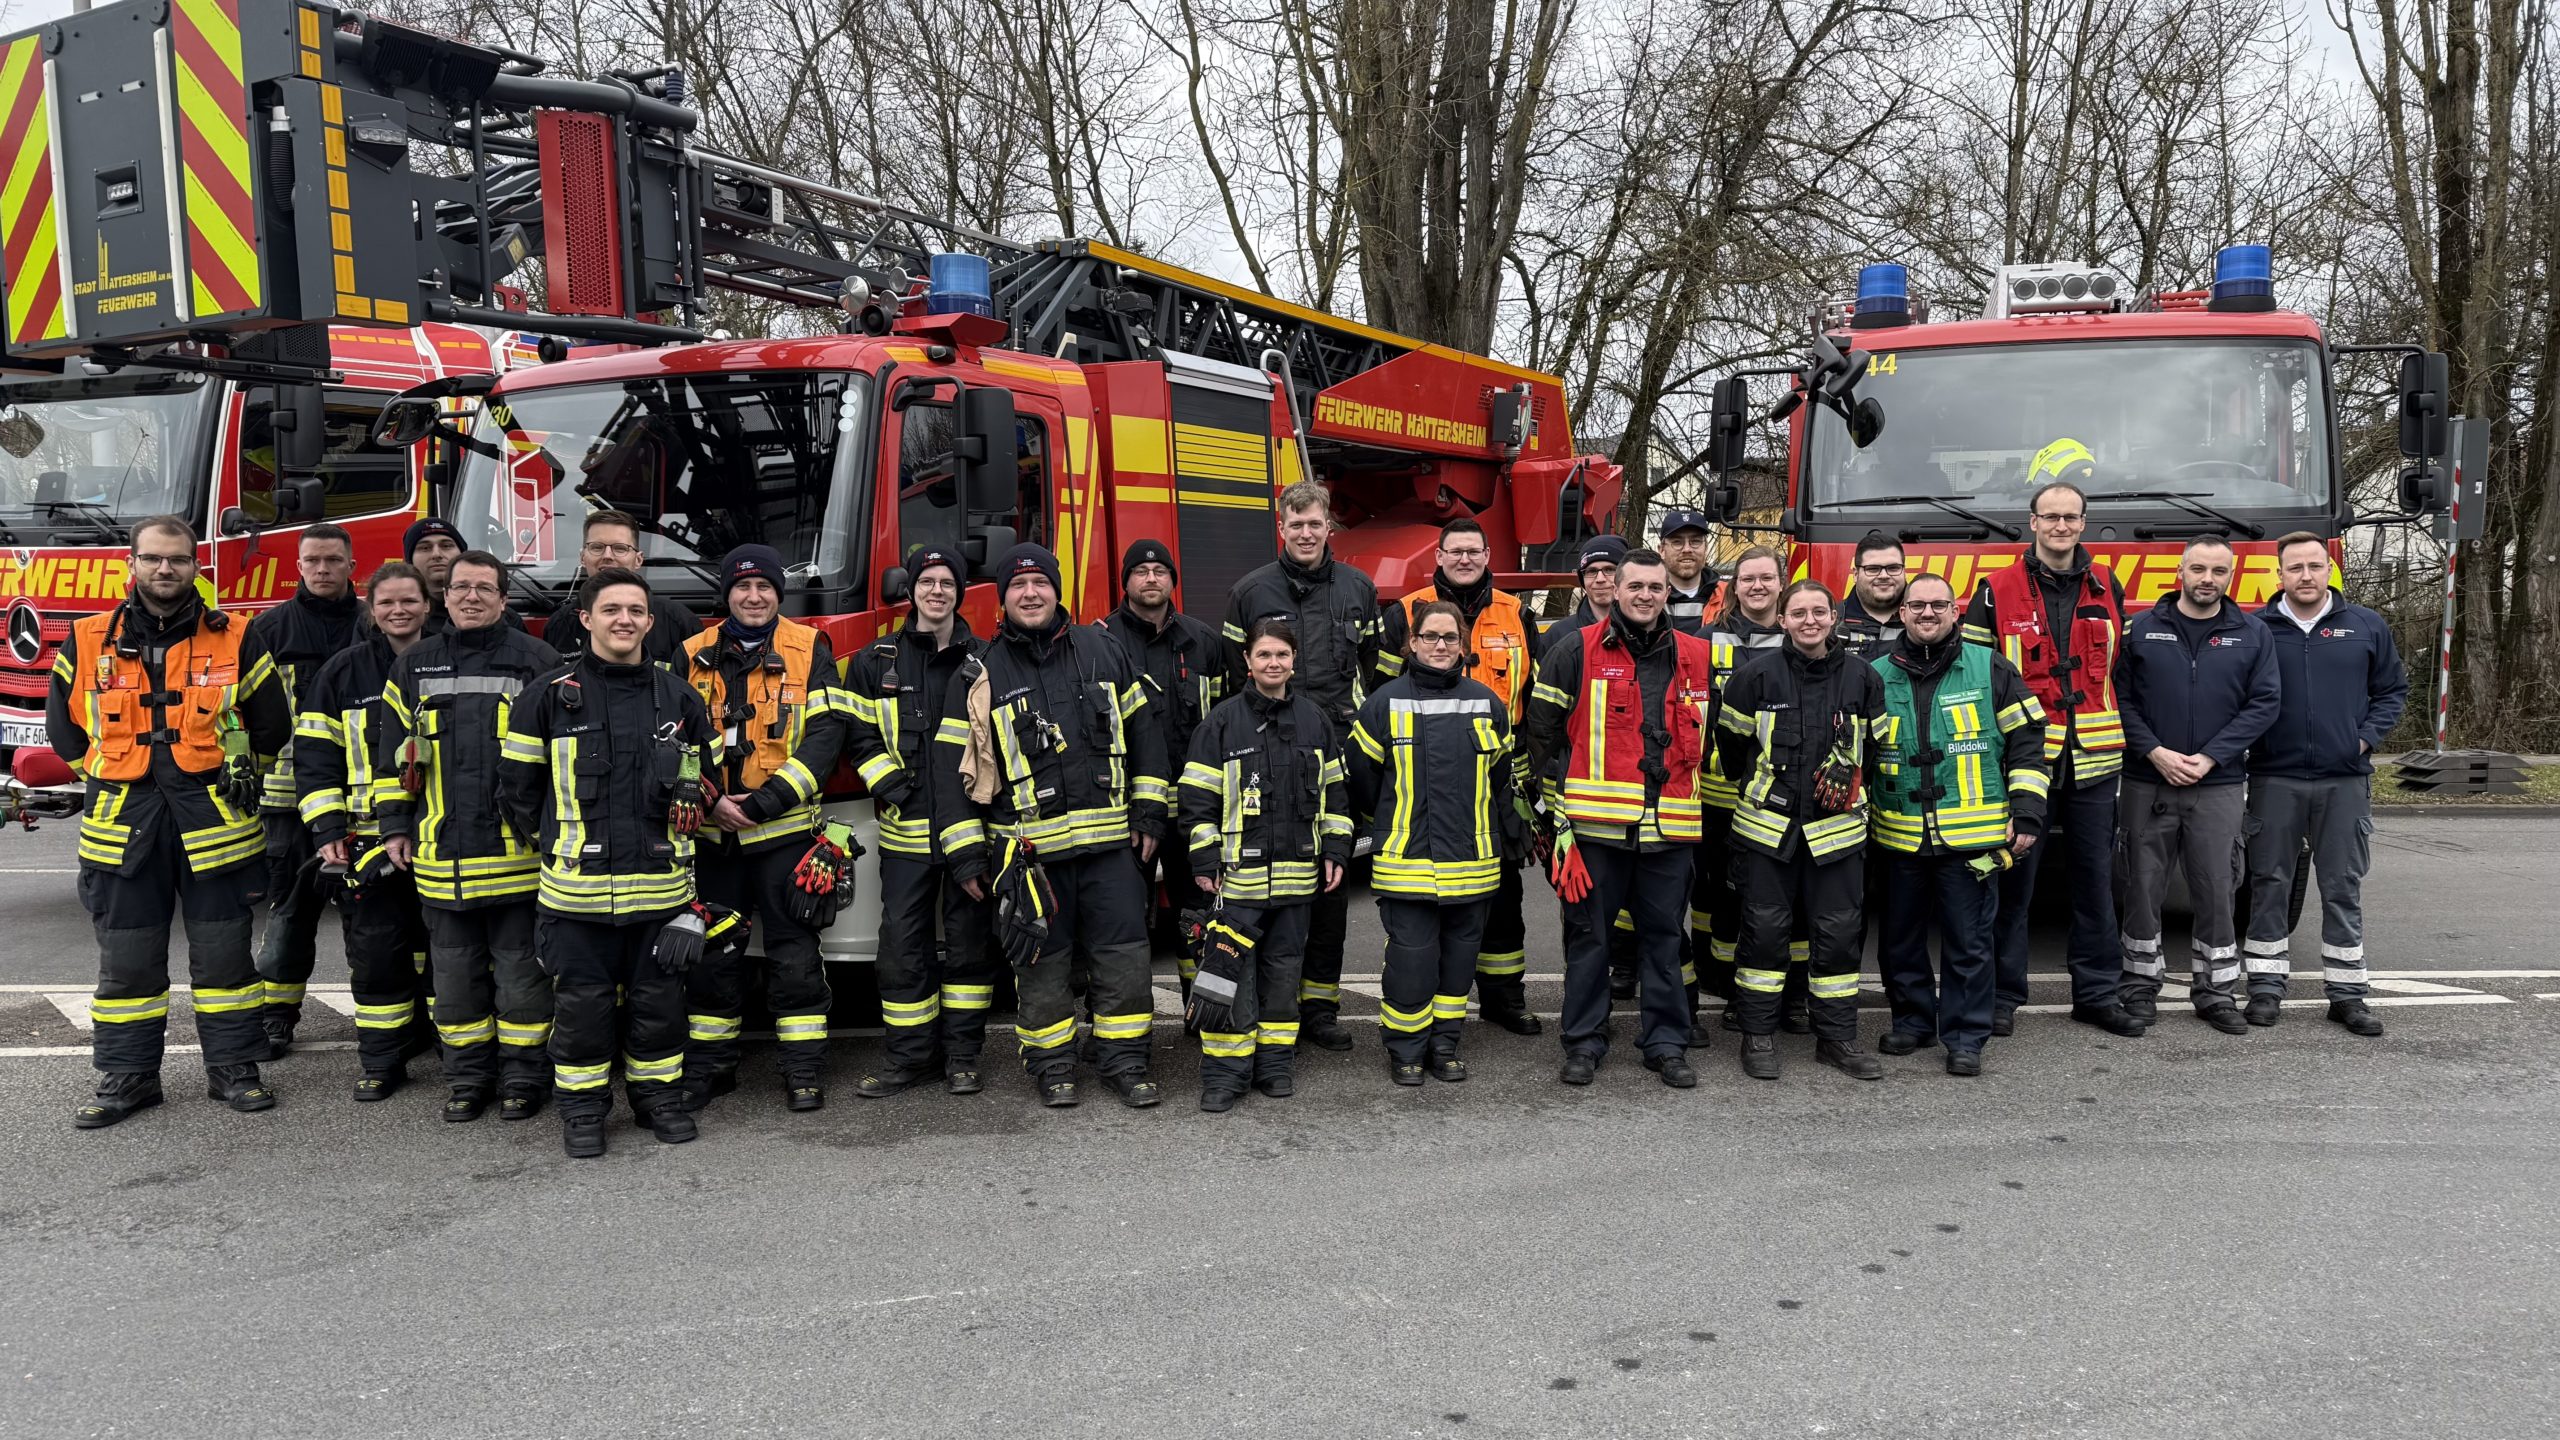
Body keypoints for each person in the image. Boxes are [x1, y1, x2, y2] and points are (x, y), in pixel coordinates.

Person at [50, 516, 293, 1128]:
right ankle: (129, 1077)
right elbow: (64, 733)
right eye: (154, 558)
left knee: (225, 959)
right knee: (127, 960)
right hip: (122, 824)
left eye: (178, 559)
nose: (166, 569)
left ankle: (234, 1069)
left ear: (195, 566)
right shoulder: (84, 639)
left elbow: (272, 725)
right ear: (131, 564)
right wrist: (116, 776)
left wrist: (234, 769)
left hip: (214, 824)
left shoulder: (238, 636)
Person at [939, 543, 1172, 1109]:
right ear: (1002, 600)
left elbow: (1145, 734)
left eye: (1039, 583)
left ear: (1056, 590)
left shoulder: (1103, 650)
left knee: (1124, 956)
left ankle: (1125, 1062)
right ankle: (1053, 1066)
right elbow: (951, 773)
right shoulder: (978, 672)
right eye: (1018, 586)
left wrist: (1148, 812)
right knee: (1041, 963)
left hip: (1110, 850)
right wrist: (966, 854)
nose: (1030, 594)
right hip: (1030, 860)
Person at [499, 567, 722, 1156]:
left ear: (649, 622)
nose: (624, 620)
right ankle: (582, 1111)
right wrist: (558, 844)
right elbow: (517, 791)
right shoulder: (547, 696)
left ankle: (659, 1101)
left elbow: (709, 783)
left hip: (661, 896)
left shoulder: (681, 698)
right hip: (576, 898)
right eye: (612, 609)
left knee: (660, 1009)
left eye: (635, 611)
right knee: (582, 1012)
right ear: (586, 619)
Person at [376, 549, 562, 1123]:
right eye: (461, 587)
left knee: (522, 980)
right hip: (441, 858)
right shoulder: (414, 665)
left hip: (516, 857)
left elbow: (560, 757)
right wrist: (394, 825)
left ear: (503, 599)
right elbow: (392, 757)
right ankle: (467, 1080)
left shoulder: (538, 661)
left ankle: (524, 1079)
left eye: (484, 588)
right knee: (454, 985)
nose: (471, 597)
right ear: (445, 596)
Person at [1960, 480, 2146, 1038]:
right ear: (2033, 522)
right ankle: (2001, 996)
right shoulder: (1994, 591)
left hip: (2093, 763)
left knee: (2095, 885)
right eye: (2051, 516)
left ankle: (2097, 994)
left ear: (2083, 523)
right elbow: (1975, 678)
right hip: (2025, 764)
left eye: (2070, 517)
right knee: (2013, 886)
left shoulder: (2108, 583)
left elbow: (2123, 670)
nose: (2061, 525)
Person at [1526, 549, 1718, 1088]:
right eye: (1635, 586)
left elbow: (1711, 734)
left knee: (1664, 942)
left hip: (1671, 830)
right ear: (1615, 589)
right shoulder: (1575, 649)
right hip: (1595, 832)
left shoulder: (1697, 656)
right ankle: (1584, 1042)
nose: (1645, 596)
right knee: (1590, 941)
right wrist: (1556, 815)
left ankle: (1666, 1044)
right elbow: (1541, 733)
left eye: (1655, 587)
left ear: (1667, 593)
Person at [677, 543, 848, 1112]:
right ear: (726, 594)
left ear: (779, 593)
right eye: (742, 587)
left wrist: (762, 804)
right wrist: (712, 801)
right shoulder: (690, 653)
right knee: (712, 956)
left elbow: (825, 738)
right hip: (715, 841)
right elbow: (673, 740)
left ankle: (803, 1069)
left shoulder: (811, 648)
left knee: (794, 957)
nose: (754, 597)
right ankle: (711, 1068)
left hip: (784, 838)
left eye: (765, 587)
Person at [1866, 574, 2049, 1076]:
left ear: (1955, 612)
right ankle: (1913, 1022)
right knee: (1899, 941)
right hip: (1898, 835)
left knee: (1969, 943)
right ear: (1901, 613)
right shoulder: (1875, 674)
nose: (1927, 613)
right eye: (1917, 605)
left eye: (1938, 605)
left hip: (1972, 839)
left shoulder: (1992, 667)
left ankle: (1966, 1036)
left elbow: (2028, 742)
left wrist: (2027, 810)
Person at [1221, 481, 1381, 1052]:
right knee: (1268, 889)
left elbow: (1374, 671)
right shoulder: (1249, 592)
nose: (1307, 533)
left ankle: (1320, 1009)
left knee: (1331, 886)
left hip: (1336, 752)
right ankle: (1271, 1007)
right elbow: (1232, 676)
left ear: (1328, 526)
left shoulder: (1359, 589)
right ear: (1281, 528)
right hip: (1266, 757)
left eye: (1315, 523)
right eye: (1297, 525)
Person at [1715, 579, 1887, 1082]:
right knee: (1764, 934)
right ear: (1782, 620)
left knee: (1838, 935)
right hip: (1767, 832)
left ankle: (1836, 1038)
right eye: (1799, 613)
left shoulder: (1863, 677)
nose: (1809, 621)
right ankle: (1758, 1035)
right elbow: (1731, 748)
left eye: (1818, 612)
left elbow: (1876, 751)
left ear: (1834, 617)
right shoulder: (1754, 676)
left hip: (1837, 834)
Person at [1375, 517, 1540, 1035]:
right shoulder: (1405, 612)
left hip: (1498, 772)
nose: (1464, 559)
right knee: (1429, 907)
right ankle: (1429, 1005)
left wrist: (1524, 787)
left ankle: (1503, 998)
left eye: (1473, 551)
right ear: (1439, 557)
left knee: (1504, 897)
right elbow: (1381, 692)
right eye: (1455, 551)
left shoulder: (1517, 613)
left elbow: (1533, 700)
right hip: (1426, 775)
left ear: (1488, 556)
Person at [1177, 619, 1350, 1110]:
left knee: (1282, 977)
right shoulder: (1220, 723)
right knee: (1230, 978)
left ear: (1294, 661)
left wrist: (1336, 849)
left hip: (1297, 881)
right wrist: (1204, 857)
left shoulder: (1315, 720)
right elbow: (1197, 799)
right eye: (1264, 655)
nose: (1273, 663)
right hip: (1237, 884)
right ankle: (1225, 1075)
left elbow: (1336, 795)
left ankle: (1274, 1065)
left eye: (1282, 654)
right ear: (1248, 662)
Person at [842, 546, 997, 1097]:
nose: (937, 591)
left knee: (969, 948)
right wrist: (892, 786)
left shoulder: (985, 659)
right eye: (927, 581)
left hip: (970, 834)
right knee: (902, 950)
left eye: (946, 583)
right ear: (910, 591)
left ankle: (963, 1058)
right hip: (904, 835)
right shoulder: (874, 661)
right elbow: (856, 733)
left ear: (960, 593)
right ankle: (910, 1060)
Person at [2113, 537, 2282, 1034]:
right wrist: (2154, 751)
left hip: (2218, 782)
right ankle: (2139, 987)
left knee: (2217, 887)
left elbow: (2265, 703)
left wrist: (2210, 757)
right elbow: (2118, 697)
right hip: (2148, 778)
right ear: (2180, 572)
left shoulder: (2252, 632)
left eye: (2218, 571)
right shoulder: (2140, 629)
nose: (2208, 579)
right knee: (2141, 885)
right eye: (2199, 569)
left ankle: (2216, 992)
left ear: (2231, 576)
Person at [2242, 533, 2408, 1036]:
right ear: (2279, 574)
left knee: (2342, 887)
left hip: (2344, 779)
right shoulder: (2255, 629)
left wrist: (2363, 739)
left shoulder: (2366, 625)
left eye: (2315, 565)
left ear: (2329, 569)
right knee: (2269, 883)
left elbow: (2392, 690)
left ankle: (2347, 995)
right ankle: (2265, 988)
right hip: (2274, 777)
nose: (2306, 575)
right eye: (2295, 567)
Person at [1346, 601, 1517, 1087]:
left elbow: (1500, 779)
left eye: (1450, 637)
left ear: (1462, 645)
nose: (1440, 646)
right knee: (1411, 964)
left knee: (1458, 968)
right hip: (1407, 864)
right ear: (1413, 642)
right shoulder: (1383, 703)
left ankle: (1444, 1045)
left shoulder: (1487, 702)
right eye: (1430, 637)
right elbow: (1361, 781)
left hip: (1473, 865)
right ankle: (1405, 1049)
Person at [293, 561, 437, 1100]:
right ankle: (382, 1060)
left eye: (409, 600)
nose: (399, 610)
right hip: (367, 838)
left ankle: (451, 1053)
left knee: (445, 954)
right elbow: (315, 757)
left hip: (438, 834)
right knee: (377, 955)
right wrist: (327, 826)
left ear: (427, 605)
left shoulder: (448, 663)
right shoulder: (343, 672)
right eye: (387, 602)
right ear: (371, 610)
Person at [241, 523, 363, 1058]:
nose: (322, 569)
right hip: (286, 801)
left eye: (333, 560)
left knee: (368, 916)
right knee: (289, 914)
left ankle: (388, 1018)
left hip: (361, 797)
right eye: (312, 560)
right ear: (298, 566)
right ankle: (276, 1016)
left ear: (352, 566)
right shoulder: (268, 630)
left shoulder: (372, 625)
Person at [1100, 538, 1226, 993]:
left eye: (1160, 571)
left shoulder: (1203, 641)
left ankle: (1200, 1008)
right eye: (1140, 571)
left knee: (1198, 914)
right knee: (1124, 917)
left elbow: (1225, 721)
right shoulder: (1101, 642)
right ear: (1126, 581)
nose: (1150, 578)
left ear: (1173, 580)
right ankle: (1126, 1013)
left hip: (1195, 811)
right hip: (1130, 814)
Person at [1700, 545, 1792, 1028]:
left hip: (1782, 795)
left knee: (1774, 898)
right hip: (1719, 792)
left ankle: (1779, 988)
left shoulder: (1801, 636)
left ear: (1781, 583)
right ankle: (1724, 980)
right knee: (1724, 894)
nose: (1757, 586)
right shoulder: (1707, 639)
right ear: (1734, 587)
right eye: (1748, 578)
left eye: (1766, 578)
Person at [544, 509, 704, 666]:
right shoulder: (559, 624)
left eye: (620, 548)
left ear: (638, 560)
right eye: (597, 547)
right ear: (582, 557)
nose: (607, 556)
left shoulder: (678, 621)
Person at [1836, 531, 1909, 661]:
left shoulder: (1924, 620)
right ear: (1856, 574)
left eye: (1893, 568)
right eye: (1873, 569)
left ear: (1904, 571)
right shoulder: (1830, 623)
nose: (1884, 576)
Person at [1656, 509, 1719, 633]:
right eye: (1677, 542)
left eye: (1695, 541)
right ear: (1662, 550)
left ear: (1706, 548)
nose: (1687, 549)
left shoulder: (1729, 597)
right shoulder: (1648, 596)